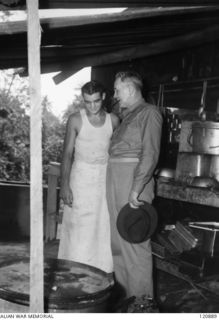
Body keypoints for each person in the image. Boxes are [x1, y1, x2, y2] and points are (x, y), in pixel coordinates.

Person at [106, 71, 163, 299]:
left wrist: (137, 188)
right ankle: (125, 297)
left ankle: (141, 303)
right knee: (117, 243)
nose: (115, 95)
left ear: (130, 89)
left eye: (117, 90)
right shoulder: (128, 115)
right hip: (115, 176)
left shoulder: (150, 113)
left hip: (132, 180)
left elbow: (150, 154)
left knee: (134, 241)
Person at [58, 80, 119, 273]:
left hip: (103, 179)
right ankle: (72, 271)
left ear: (103, 98)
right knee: (78, 227)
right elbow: (67, 154)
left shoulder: (114, 120)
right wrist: (65, 185)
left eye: (96, 101)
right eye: (87, 102)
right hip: (81, 178)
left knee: (102, 226)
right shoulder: (76, 119)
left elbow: (117, 154)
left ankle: (100, 274)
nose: (92, 106)